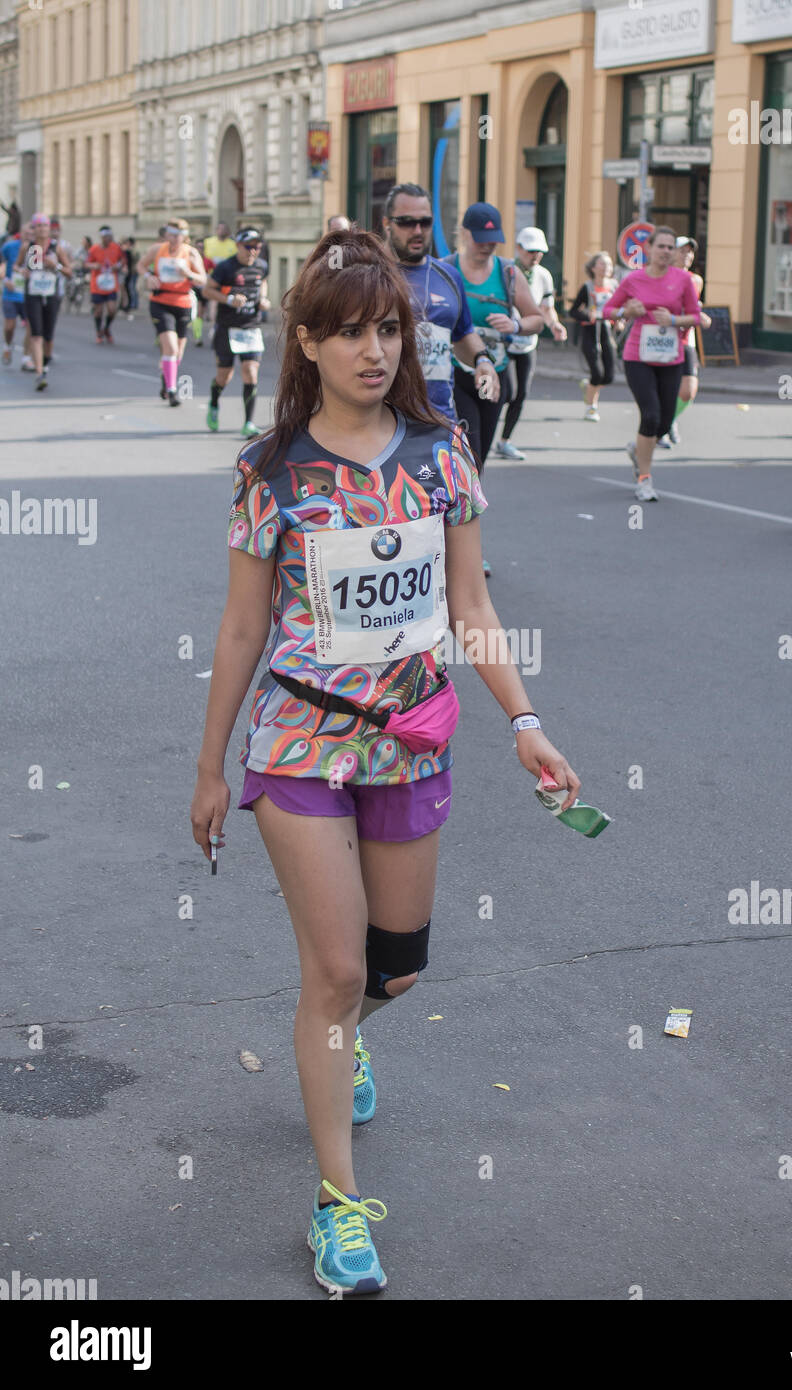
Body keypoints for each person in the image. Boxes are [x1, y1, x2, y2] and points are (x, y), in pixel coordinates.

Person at [189, 228, 580, 1297]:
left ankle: (341, 1038)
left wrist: (523, 721)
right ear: (307, 343)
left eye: (389, 327)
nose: (373, 348)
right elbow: (237, 630)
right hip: (298, 741)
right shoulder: (273, 472)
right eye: (349, 330)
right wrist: (213, 764)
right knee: (338, 969)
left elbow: (471, 605)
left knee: (397, 969)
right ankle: (336, 1205)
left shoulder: (440, 453)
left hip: (409, 743)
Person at [382, 183, 501, 575]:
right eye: (406, 222)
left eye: (425, 222)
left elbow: (463, 333)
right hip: (383, 419)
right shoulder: (370, 276)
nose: (417, 230)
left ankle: (458, 566)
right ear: (387, 224)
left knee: (446, 500)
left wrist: (482, 360)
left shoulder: (448, 277)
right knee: (390, 514)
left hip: (439, 418)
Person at [599, 225, 702, 502]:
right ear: (649, 249)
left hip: (671, 357)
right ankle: (644, 478)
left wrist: (674, 321)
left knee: (665, 422)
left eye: (671, 247)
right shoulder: (634, 280)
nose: (666, 252)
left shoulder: (683, 280)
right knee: (651, 415)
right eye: (661, 246)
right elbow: (607, 310)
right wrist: (626, 311)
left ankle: (638, 449)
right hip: (638, 358)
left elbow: (696, 315)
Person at [442, 203, 543, 470]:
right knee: (468, 449)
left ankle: (467, 508)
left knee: (480, 455)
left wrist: (516, 325)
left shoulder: (508, 273)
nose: (487, 246)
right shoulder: (446, 269)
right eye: (481, 240)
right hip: (455, 373)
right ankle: (459, 508)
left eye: (493, 241)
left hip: (493, 374)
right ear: (464, 233)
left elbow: (536, 319)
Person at [494, 227, 567, 459]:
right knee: (506, 392)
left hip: (527, 343)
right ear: (519, 249)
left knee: (521, 394)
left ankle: (505, 441)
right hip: (503, 342)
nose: (535, 256)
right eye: (531, 251)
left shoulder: (544, 275)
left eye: (539, 252)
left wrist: (554, 324)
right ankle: (482, 433)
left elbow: (546, 308)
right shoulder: (505, 271)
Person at [203, 227, 270, 438]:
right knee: (225, 376)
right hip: (227, 328)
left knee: (250, 372)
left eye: (257, 247)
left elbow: (263, 282)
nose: (253, 251)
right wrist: (229, 300)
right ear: (238, 246)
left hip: (250, 327)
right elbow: (207, 290)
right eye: (249, 246)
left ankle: (248, 423)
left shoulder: (261, 265)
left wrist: (263, 300)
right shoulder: (226, 268)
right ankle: (214, 403)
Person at [136, 218, 207, 406]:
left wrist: (189, 275)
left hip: (182, 302)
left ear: (185, 237)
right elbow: (140, 265)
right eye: (172, 235)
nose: (175, 239)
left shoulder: (190, 254)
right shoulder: (157, 250)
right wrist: (149, 276)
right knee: (171, 347)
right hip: (160, 301)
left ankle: (166, 376)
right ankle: (172, 390)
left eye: (179, 235)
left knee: (179, 352)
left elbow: (202, 279)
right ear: (166, 234)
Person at [662, 236, 712, 448]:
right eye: (682, 251)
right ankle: (661, 426)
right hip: (664, 337)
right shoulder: (662, 276)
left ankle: (670, 418)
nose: (687, 256)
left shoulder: (696, 280)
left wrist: (699, 315)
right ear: (671, 253)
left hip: (686, 338)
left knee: (688, 390)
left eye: (690, 252)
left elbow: (694, 309)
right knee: (665, 388)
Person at [14, 213, 72, 390]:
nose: (41, 229)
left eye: (44, 226)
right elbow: (16, 265)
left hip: (51, 294)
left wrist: (57, 266)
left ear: (49, 229)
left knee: (48, 336)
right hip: (33, 294)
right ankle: (40, 373)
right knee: (36, 334)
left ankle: (45, 364)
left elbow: (69, 271)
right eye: (38, 226)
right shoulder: (28, 247)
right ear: (34, 229)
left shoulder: (56, 248)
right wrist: (21, 271)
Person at [569, 251, 619, 422]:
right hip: (590, 332)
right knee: (597, 373)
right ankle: (591, 408)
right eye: (602, 264)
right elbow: (574, 310)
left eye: (609, 264)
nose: (606, 268)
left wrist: (620, 320)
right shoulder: (587, 287)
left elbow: (620, 308)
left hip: (607, 332)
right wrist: (587, 316)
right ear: (593, 267)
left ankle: (588, 386)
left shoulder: (614, 286)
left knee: (609, 376)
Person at [85, 225, 125, 344]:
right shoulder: (94, 249)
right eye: (106, 236)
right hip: (97, 284)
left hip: (111, 284)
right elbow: (87, 263)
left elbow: (122, 261)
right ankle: (99, 331)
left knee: (112, 309)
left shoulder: (116, 248)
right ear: (101, 237)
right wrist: (94, 266)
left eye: (110, 236)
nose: (109, 239)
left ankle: (107, 328)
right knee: (98, 311)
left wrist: (117, 266)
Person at [202, 222, 238, 340]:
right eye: (219, 229)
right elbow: (204, 259)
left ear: (227, 231)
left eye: (224, 229)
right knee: (214, 302)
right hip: (213, 278)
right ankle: (214, 325)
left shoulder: (233, 244)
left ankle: (221, 325)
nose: (221, 231)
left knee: (222, 302)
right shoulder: (208, 242)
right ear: (216, 230)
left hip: (228, 280)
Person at [1, 228, 28, 367]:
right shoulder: (10, 247)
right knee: (9, 327)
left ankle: (26, 358)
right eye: (26, 233)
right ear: (21, 233)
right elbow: (2, 263)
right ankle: (7, 345)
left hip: (29, 295)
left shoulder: (36, 249)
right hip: (11, 293)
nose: (29, 236)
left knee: (31, 328)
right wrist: (5, 279)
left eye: (32, 234)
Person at [121, 236, 139, 317]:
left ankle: (133, 304)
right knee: (129, 288)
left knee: (132, 288)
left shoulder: (133, 251)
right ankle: (129, 304)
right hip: (131, 271)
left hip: (133, 272)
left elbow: (134, 260)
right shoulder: (128, 251)